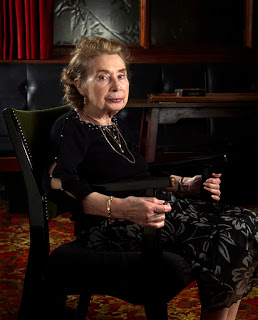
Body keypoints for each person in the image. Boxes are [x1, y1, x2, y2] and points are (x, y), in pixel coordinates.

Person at [45, 36, 258, 320]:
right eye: (103, 77)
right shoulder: (72, 126)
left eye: (121, 75)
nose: (117, 85)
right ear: (80, 84)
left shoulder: (115, 123)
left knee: (247, 222)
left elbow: (141, 175)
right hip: (113, 227)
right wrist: (121, 208)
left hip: (153, 209)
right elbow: (57, 182)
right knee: (230, 232)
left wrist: (186, 184)